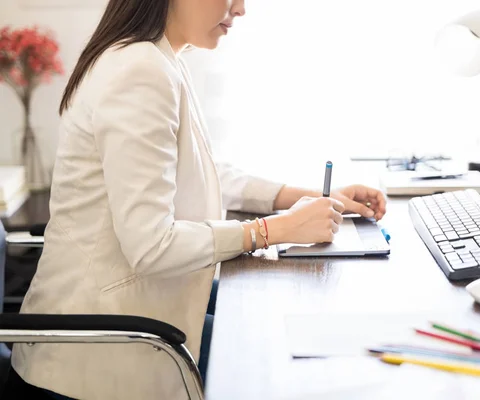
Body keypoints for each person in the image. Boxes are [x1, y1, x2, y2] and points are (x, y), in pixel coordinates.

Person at [7, 0, 387, 399]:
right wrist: (271, 230)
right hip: (94, 361)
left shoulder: (159, 57)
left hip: (130, 328)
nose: (240, 9)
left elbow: (200, 171)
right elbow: (150, 244)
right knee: (284, 362)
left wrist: (311, 198)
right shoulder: (139, 69)